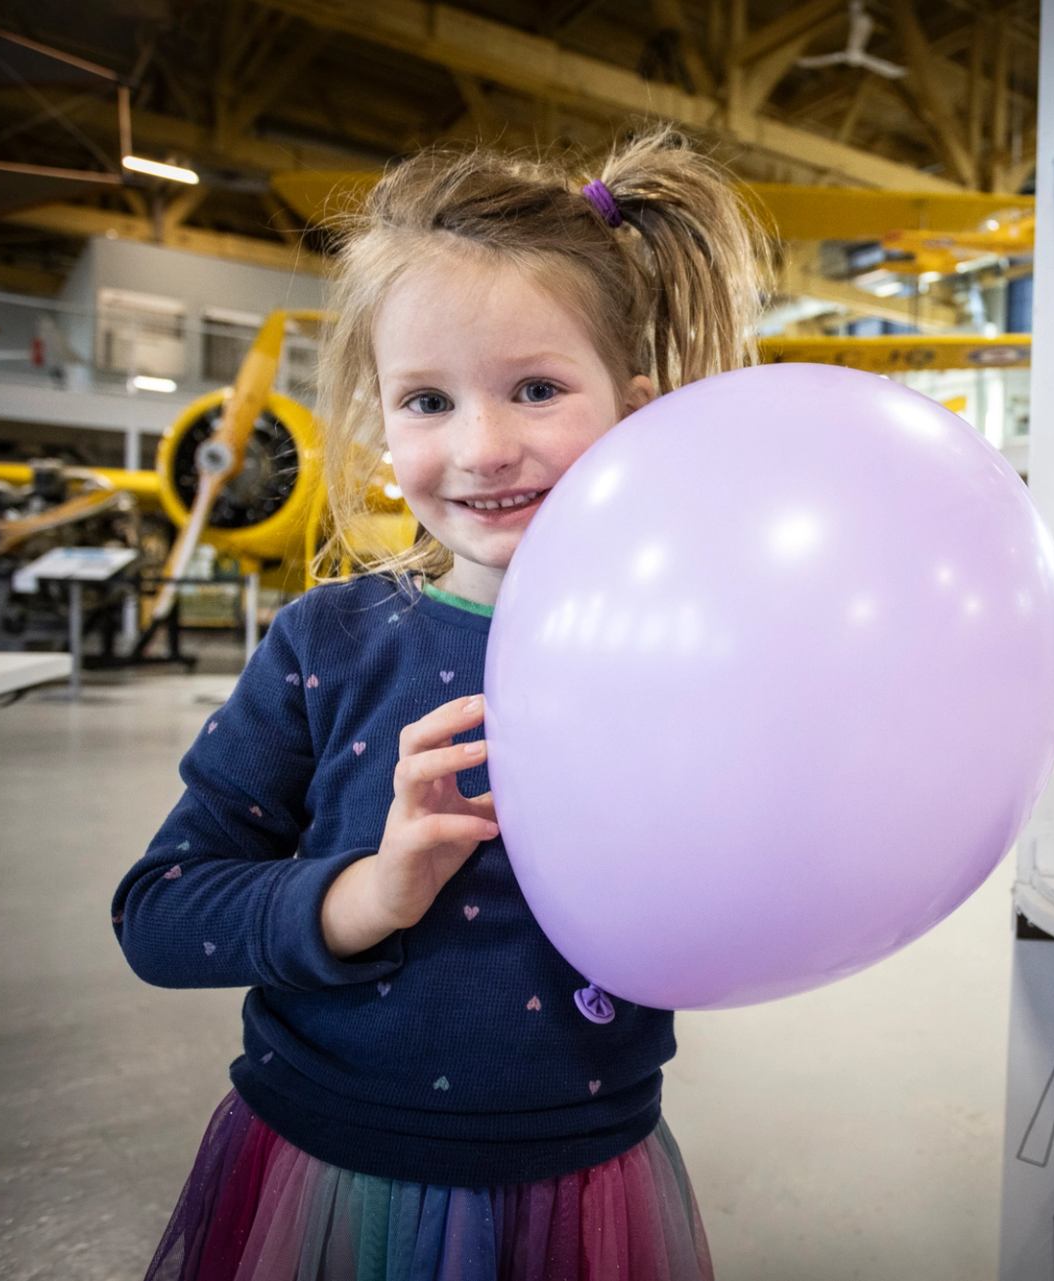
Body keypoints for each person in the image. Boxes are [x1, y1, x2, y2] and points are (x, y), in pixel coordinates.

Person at [112, 129, 767, 1280]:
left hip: (584, 1175)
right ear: (380, 422)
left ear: (638, 409)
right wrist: (366, 895)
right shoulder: (329, 642)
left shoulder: (690, 653)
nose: (484, 446)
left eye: (536, 389)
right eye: (426, 399)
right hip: (331, 1168)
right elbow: (159, 915)